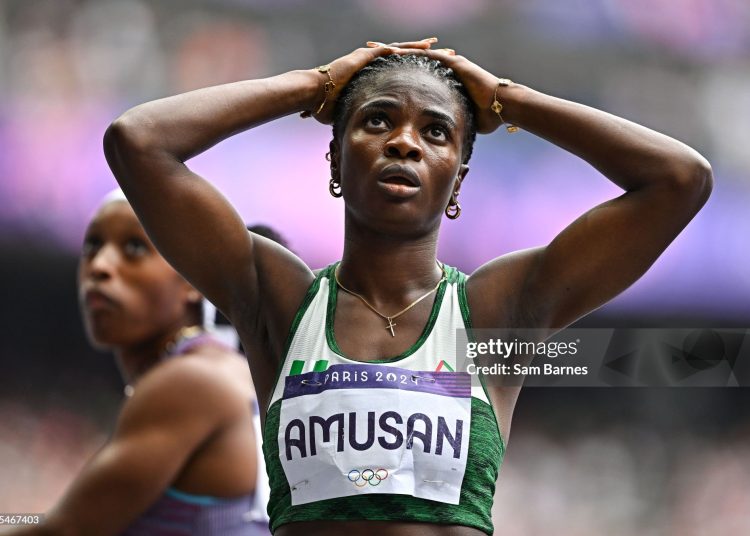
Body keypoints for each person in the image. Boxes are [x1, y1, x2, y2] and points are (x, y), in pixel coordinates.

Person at [102, 38, 712, 535]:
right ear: (336, 160)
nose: (403, 142)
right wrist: (315, 85)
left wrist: (506, 100)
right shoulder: (279, 301)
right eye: (376, 120)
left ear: (458, 179)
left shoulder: (497, 311)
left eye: (436, 132)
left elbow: (678, 180)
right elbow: (140, 142)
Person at [10, 191, 268, 535]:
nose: (99, 266)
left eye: (134, 248)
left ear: (193, 278)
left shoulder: (190, 382)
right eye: (92, 246)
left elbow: (67, 530)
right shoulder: (217, 366)